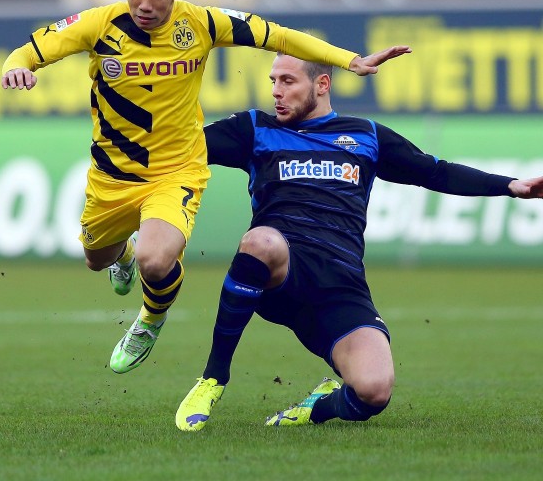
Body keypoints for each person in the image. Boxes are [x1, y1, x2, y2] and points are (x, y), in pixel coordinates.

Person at [1, 0, 410, 374]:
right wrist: (17, 69)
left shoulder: (202, 23)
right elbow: (27, 52)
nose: (144, 4)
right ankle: (118, 257)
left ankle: (150, 319)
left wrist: (349, 61)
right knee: (95, 258)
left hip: (176, 170)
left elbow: (280, 38)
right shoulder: (98, 25)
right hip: (112, 177)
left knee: (155, 259)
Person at [175, 53, 543, 430]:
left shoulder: (366, 134)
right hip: (281, 272)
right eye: (273, 81)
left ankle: (315, 408)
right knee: (261, 242)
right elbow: (179, 146)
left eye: (288, 81)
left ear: (322, 85)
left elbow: (435, 172)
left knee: (374, 390)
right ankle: (214, 378)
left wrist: (510, 186)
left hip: (341, 285)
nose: (276, 92)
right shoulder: (254, 129)